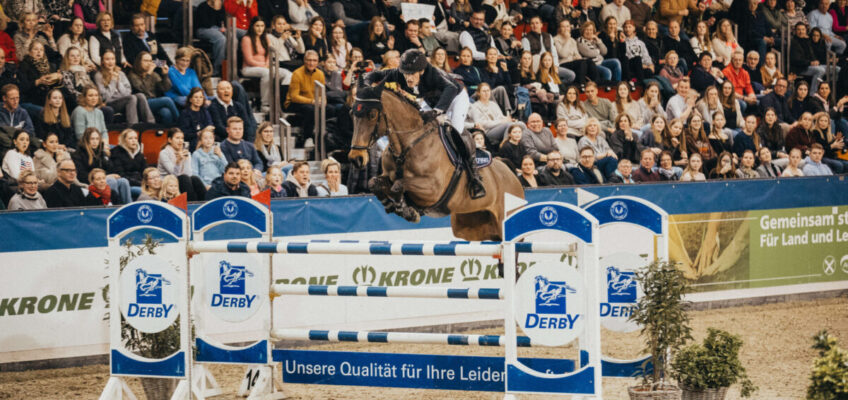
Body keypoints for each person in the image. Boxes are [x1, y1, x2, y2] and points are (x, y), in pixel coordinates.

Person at [364, 48, 486, 199]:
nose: (408, 78)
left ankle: (474, 176)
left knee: (456, 130)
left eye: (412, 74)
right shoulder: (402, 74)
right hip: (432, 100)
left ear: (421, 71)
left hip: (456, 98)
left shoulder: (433, 74)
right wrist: (366, 80)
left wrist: (436, 112)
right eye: (405, 73)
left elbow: (452, 88)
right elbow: (378, 74)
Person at [241, 17, 292, 113]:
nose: (260, 28)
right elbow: (249, 59)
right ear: (252, 27)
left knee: (287, 74)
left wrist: (266, 64)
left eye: (262, 26)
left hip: (265, 67)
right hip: (249, 68)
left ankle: (283, 101)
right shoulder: (246, 39)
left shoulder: (266, 38)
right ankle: (265, 104)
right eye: (257, 26)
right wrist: (264, 65)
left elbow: (269, 55)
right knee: (267, 73)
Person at [72, 127, 132, 204]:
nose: (95, 142)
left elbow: (111, 168)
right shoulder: (78, 154)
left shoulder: (100, 152)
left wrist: (105, 156)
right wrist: (105, 177)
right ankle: (112, 207)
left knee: (124, 181)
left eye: (97, 139)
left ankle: (128, 207)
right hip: (89, 182)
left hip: (102, 180)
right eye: (92, 139)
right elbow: (81, 175)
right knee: (111, 181)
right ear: (86, 140)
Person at [95, 50, 155, 125]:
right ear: (102, 61)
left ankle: (150, 124)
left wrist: (118, 82)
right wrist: (113, 81)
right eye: (107, 59)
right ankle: (133, 127)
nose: (110, 62)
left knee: (140, 95)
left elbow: (128, 92)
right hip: (110, 103)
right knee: (132, 98)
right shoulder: (99, 75)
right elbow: (105, 97)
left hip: (123, 99)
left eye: (113, 59)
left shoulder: (121, 74)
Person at [285, 50, 325, 147]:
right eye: (309, 60)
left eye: (314, 60)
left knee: (331, 109)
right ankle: (307, 137)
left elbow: (322, 94)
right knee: (311, 110)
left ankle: (322, 138)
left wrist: (323, 102)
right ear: (304, 61)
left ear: (318, 62)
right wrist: (312, 101)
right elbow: (294, 97)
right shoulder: (297, 73)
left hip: (312, 103)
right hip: (294, 103)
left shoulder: (320, 73)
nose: (312, 63)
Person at [128, 51, 179, 125]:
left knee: (166, 112)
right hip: (141, 103)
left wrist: (165, 75)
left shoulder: (153, 74)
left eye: (150, 61)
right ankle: (181, 123)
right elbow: (142, 89)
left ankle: (168, 133)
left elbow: (165, 88)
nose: (148, 63)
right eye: (145, 61)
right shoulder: (132, 75)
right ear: (139, 62)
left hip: (153, 101)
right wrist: (148, 74)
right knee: (167, 100)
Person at [157, 127, 207, 201]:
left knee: (194, 179)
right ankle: (190, 205)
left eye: (182, 138)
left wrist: (186, 159)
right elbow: (174, 175)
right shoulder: (164, 153)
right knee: (184, 178)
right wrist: (178, 162)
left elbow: (189, 174)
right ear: (170, 140)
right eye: (177, 138)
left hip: (182, 180)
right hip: (167, 182)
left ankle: (205, 203)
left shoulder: (186, 152)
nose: (180, 141)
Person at [17, 41, 62, 117]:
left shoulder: (50, 66)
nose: (39, 52)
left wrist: (59, 78)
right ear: (30, 52)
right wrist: (38, 82)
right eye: (36, 49)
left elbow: (55, 86)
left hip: (47, 97)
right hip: (31, 98)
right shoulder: (24, 65)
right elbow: (23, 87)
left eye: (41, 50)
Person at [109, 129, 147, 198]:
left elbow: (145, 171)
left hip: (140, 183)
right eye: (130, 138)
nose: (134, 140)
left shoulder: (139, 154)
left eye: (135, 138)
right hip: (127, 185)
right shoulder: (116, 153)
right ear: (124, 140)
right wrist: (140, 183)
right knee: (147, 193)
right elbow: (120, 174)